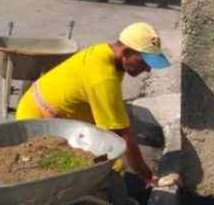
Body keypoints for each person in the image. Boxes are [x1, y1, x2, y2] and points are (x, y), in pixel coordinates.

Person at [16, 22, 170, 188]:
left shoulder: (104, 51)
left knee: (113, 159)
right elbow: (123, 136)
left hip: (41, 105)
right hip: (38, 123)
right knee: (109, 168)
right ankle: (91, 200)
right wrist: (148, 176)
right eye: (144, 62)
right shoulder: (103, 78)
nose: (147, 69)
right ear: (126, 52)